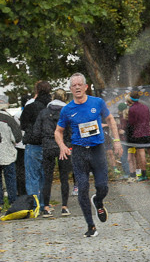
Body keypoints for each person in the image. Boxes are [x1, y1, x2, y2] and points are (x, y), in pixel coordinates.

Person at [56, 73, 122, 237]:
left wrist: (116, 140)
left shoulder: (97, 102)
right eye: (74, 85)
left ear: (86, 87)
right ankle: (91, 226)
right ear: (70, 89)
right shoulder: (67, 109)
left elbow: (110, 119)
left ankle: (98, 200)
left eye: (80, 84)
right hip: (79, 151)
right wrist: (62, 146)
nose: (77, 87)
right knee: (83, 187)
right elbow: (58, 131)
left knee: (102, 186)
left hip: (97, 150)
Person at [20, 80, 52, 207]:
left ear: (37, 91)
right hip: (48, 144)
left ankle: (34, 204)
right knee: (45, 176)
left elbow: (23, 125)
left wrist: (32, 132)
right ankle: (45, 203)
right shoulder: (51, 107)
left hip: (33, 144)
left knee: (32, 176)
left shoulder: (30, 107)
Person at [35, 95, 67, 217]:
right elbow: (70, 129)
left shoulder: (43, 112)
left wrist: (44, 139)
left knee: (47, 178)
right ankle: (64, 207)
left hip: (48, 146)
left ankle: (46, 207)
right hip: (63, 146)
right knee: (64, 177)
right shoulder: (66, 112)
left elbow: (36, 131)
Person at [0, 94, 22, 207]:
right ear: (7, 104)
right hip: (8, 153)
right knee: (10, 178)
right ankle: (13, 200)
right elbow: (17, 137)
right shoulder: (9, 119)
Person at [126, 91, 150, 180]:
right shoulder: (145, 107)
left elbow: (131, 123)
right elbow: (149, 119)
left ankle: (144, 174)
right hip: (147, 132)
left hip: (138, 133)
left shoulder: (132, 109)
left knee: (141, 154)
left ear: (131, 99)